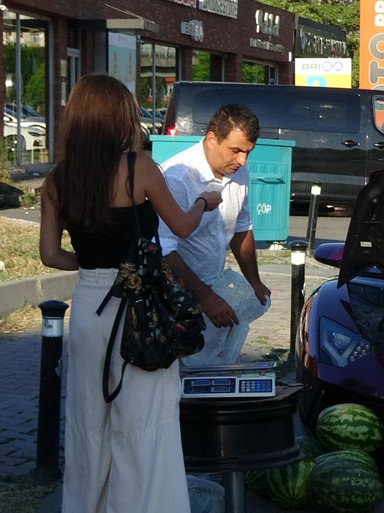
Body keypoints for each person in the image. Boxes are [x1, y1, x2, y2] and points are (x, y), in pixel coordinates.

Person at [39, 73, 222, 513]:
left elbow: (49, 255)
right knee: (144, 420)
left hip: (88, 304)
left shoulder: (58, 179)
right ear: (121, 117)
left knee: (89, 421)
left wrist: (92, 266)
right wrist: (203, 201)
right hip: (141, 308)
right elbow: (180, 226)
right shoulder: (136, 167)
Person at [157, 104, 270, 366]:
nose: (243, 161)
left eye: (248, 152)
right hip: (173, 297)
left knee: (207, 371)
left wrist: (254, 281)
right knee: (175, 372)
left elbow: (242, 228)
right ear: (211, 139)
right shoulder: (176, 177)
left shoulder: (240, 172)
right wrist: (205, 297)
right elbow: (163, 250)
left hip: (211, 290)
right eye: (236, 150)